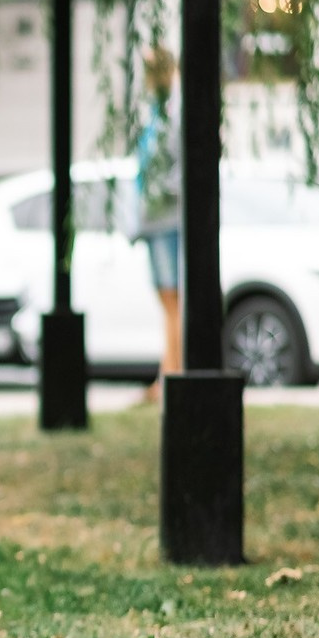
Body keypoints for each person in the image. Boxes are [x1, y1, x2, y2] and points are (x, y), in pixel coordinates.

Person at [134, 48, 183, 404]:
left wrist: (156, 194)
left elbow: (175, 170)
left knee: (172, 302)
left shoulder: (173, 113)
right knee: (168, 302)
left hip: (165, 219)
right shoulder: (155, 111)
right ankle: (167, 373)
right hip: (154, 221)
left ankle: (172, 375)